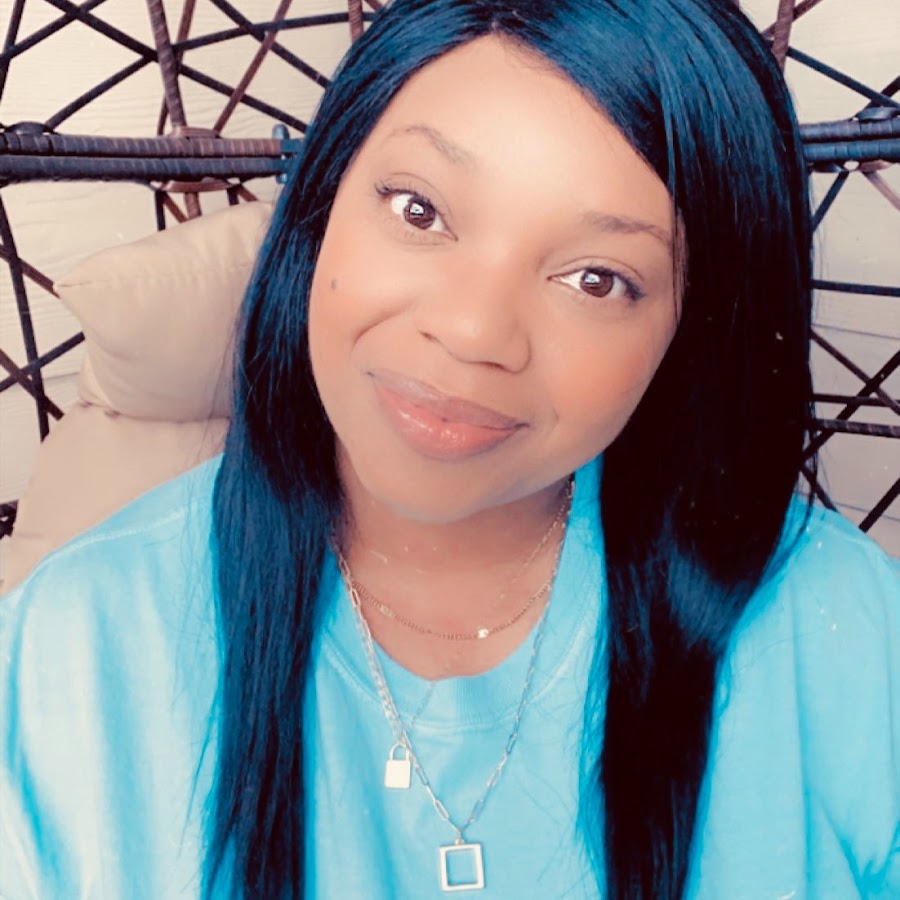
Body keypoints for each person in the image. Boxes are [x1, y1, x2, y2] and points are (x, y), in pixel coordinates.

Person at [1, 0, 898, 897]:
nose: (473, 332)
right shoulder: (73, 652)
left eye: (597, 279)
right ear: (322, 205)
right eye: (420, 210)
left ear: (690, 330)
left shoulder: (842, 628)